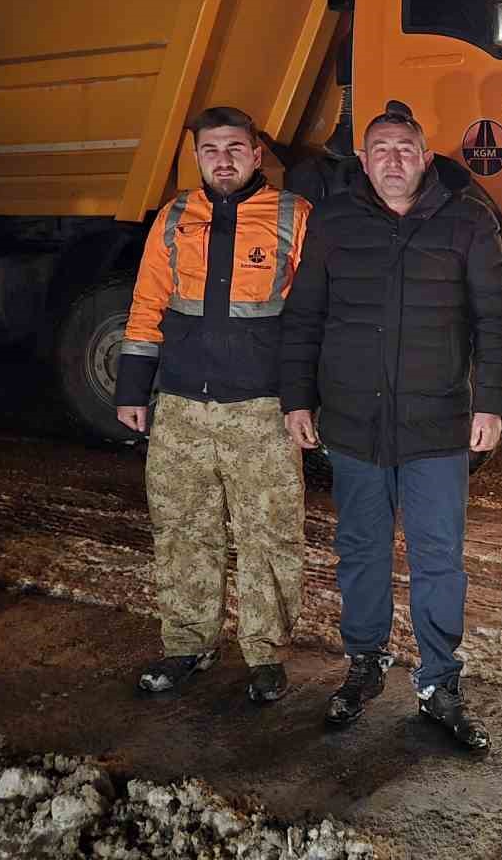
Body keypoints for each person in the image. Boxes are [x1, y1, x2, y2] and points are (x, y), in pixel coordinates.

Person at [279, 100, 502, 752]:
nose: (393, 160)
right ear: (362, 159)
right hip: (354, 423)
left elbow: (494, 320)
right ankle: (364, 665)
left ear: (426, 152)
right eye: (380, 149)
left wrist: (491, 402)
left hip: (437, 424)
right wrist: (297, 399)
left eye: (405, 148)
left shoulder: (467, 221)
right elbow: (305, 316)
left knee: (439, 559)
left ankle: (440, 684)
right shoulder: (334, 221)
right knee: (362, 551)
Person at [115, 106, 311, 705]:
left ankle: (266, 656)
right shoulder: (175, 217)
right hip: (181, 405)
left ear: (256, 154)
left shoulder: (294, 216)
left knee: (269, 534)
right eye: (209, 150)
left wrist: (305, 399)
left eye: (234, 148)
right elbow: (148, 301)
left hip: (262, 410)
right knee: (181, 530)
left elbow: (312, 318)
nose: (222, 159)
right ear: (196, 156)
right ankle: (187, 645)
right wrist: (131, 389)